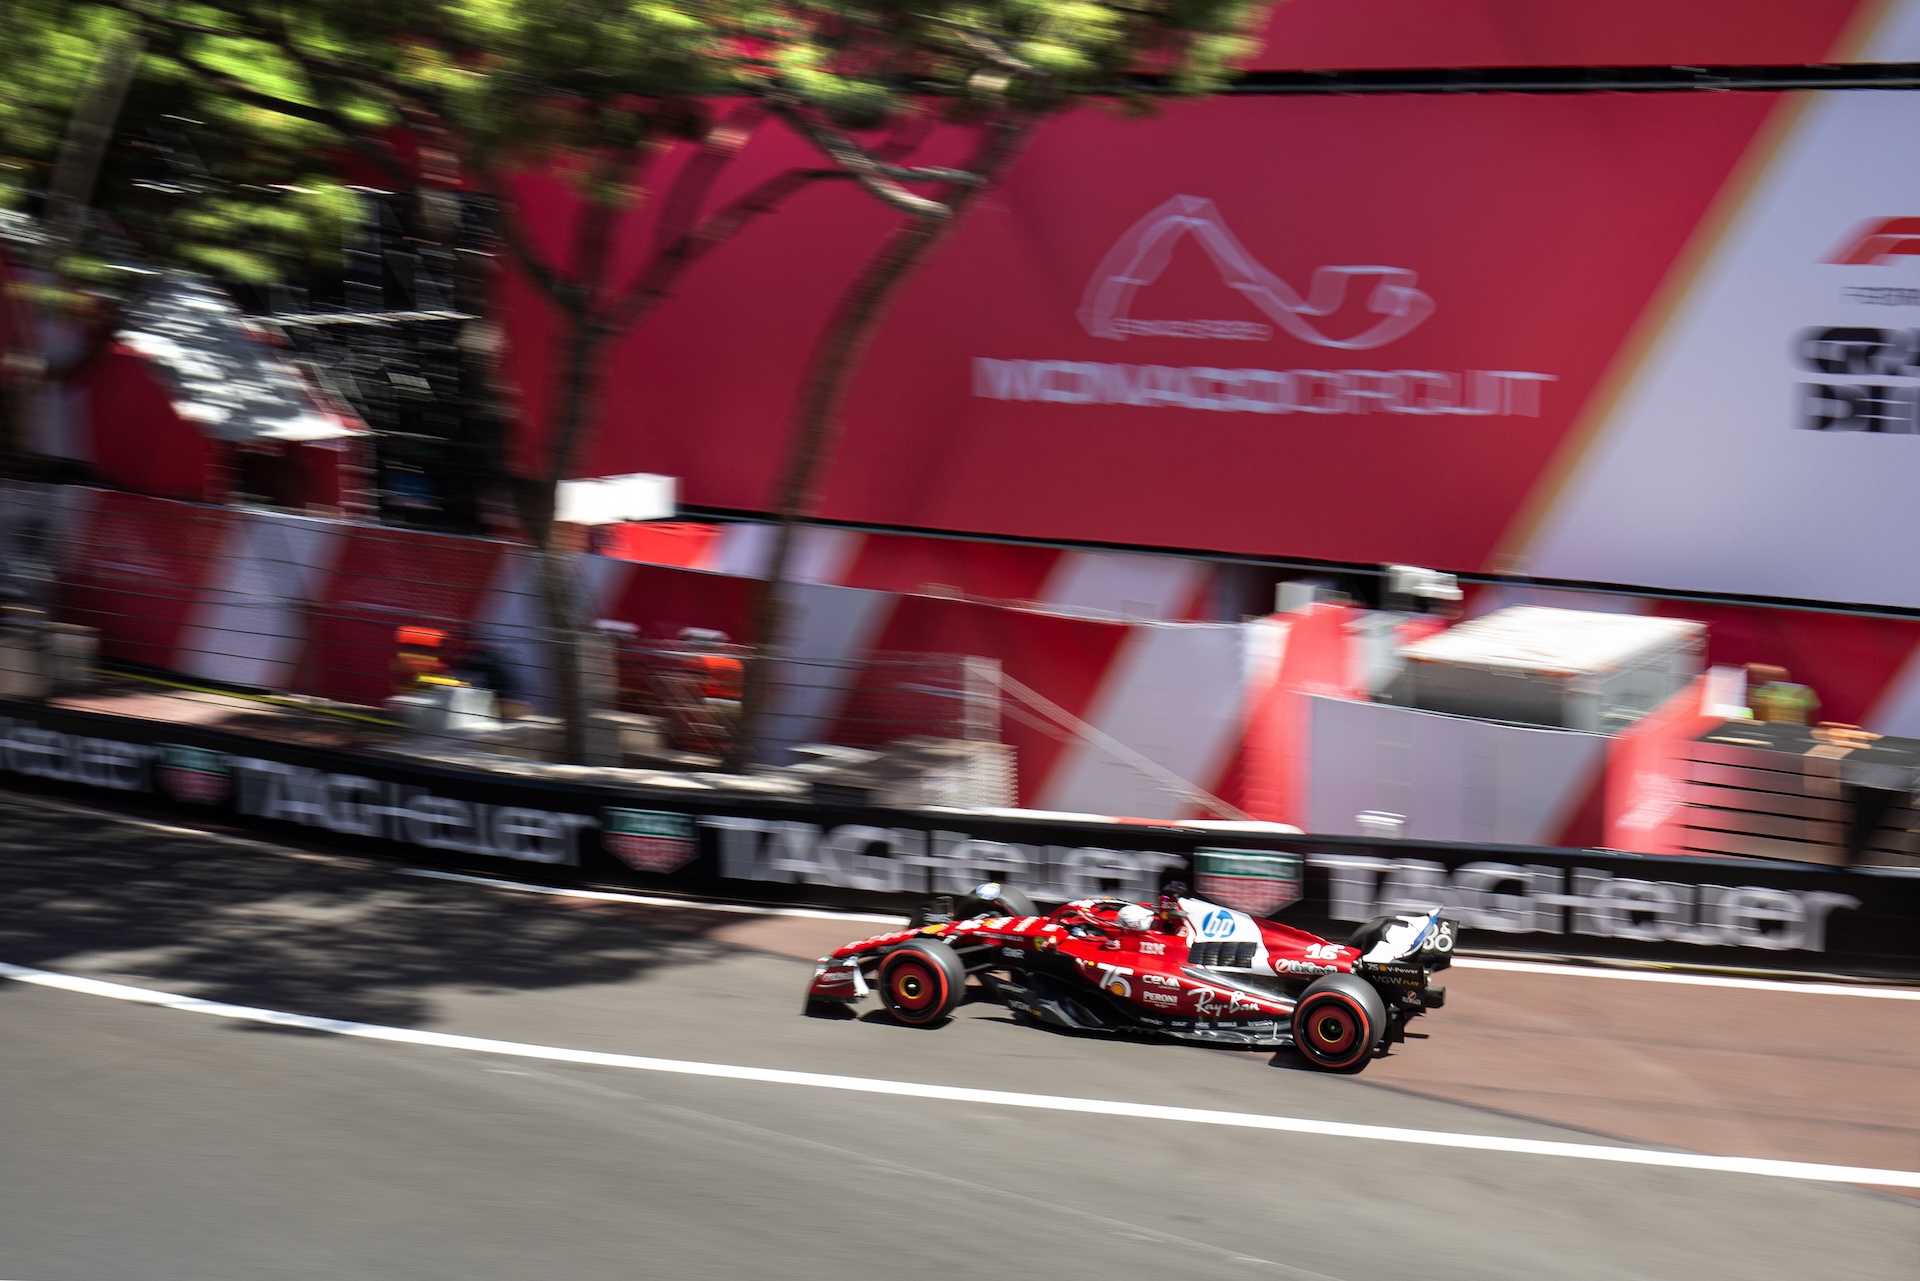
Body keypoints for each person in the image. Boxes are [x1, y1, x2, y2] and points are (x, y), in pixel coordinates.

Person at [1747, 664, 1820, 725]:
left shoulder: (1764, 691)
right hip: (1795, 730)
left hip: (1775, 728)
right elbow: (1814, 708)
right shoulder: (1805, 691)